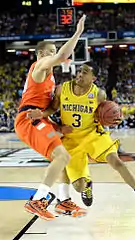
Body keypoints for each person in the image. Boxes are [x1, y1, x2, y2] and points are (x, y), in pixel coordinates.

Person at [28, 61, 135, 215]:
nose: (80, 75)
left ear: (93, 78)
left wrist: (115, 119)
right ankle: (87, 184)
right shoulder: (62, 89)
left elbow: (107, 113)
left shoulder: (98, 94)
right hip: (71, 139)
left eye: (84, 72)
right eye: (79, 71)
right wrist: (42, 114)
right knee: (78, 186)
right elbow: (52, 108)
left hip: (93, 134)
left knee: (116, 161)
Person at [14, 15, 87, 221]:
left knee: (63, 154)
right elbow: (64, 54)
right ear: (41, 54)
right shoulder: (41, 65)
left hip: (38, 118)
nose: (55, 56)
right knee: (62, 156)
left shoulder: (50, 76)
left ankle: (63, 201)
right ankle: (37, 201)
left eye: (55, 52)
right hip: (28, 119)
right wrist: (78, 32)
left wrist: (54, 121)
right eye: (52, 52)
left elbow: (44, 109)